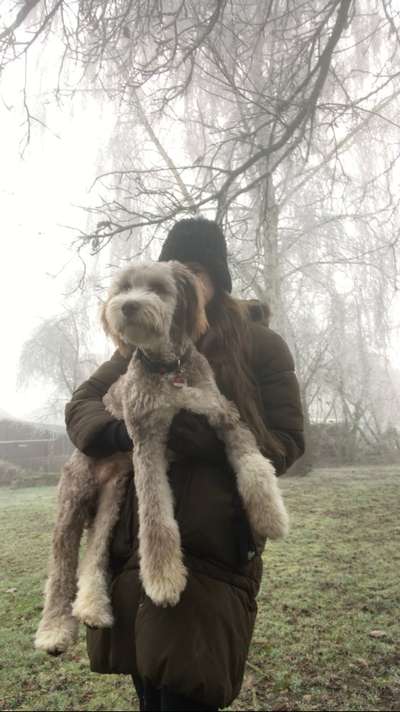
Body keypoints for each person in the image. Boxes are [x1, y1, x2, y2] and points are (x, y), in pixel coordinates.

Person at [65, 218, 305, 712]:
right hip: (136, 541)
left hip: (214, 545)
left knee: (188, 690)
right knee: (148, 686)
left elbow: (287, 441)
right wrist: (124, 431)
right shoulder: (139, 346)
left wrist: (204, 438)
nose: (187, 281)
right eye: (178, 270)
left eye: (197, 270)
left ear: (215, 279)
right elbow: (82, 405)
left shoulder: (260, 344)